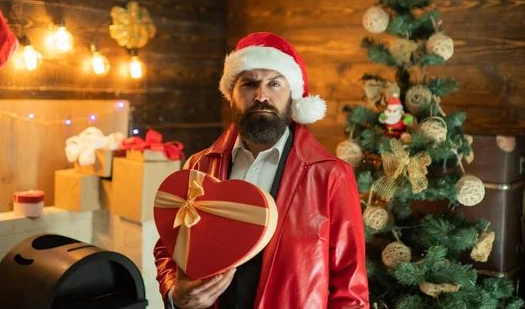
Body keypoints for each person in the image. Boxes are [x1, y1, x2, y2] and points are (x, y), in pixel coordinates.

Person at [154, 32, 369, 309]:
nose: (262, 96)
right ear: (230, 96)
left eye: (275, 83)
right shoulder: (199, 167)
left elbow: (350, 289)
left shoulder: (330, 176)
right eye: (249, 83)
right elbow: (168, 248)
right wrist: (175, 295)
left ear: (292, 96)